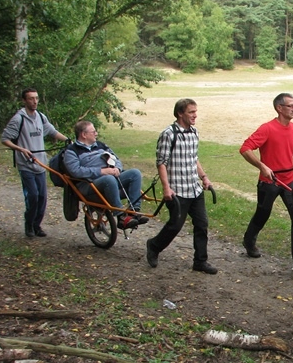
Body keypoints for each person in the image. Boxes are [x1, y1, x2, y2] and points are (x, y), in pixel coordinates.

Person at [145, 98, 218, 275]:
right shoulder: (169, 134)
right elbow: (161, 163)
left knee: (202, 224)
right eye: (191, 112)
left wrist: (204, 177)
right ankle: (154, 246)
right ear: (180, 113)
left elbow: (194, 158)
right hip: (177, 190)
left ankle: (200, 261)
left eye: (195, 111)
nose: (195, 115)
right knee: (175, 225)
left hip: (194, 189)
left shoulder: (194, 132)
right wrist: (166, 188)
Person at [240, 93, 293, 270]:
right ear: (279, 108)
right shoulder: (267, 128)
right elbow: (245, 149)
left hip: (289, 181)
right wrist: (262, 167)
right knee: (262, 214)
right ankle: (249, 241)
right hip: (269, 182)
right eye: (291, 105)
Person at [0, 87, 68, 237]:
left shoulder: (40, 117)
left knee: (42, 197)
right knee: (33, 196)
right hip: (26, 165)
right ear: (24, 100)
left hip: (40, 164)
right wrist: (21, 149)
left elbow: (51, 131)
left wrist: (68, 140)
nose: (34, 101)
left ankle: (37, 225)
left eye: (36, 98)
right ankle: (29, 224)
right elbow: (5, 139)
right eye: (31, 98)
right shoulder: (19, 119)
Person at [63, 121, 148, 230]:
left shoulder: (100, 145)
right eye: (93, 132)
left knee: (135, 173)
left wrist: (117, 168)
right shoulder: (71, 151)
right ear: (83, 135)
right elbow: (76, 171)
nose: (96, 133)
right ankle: (121, 217)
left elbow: (116, 159)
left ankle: (134, 212)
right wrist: (102, 171)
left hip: (110, 178)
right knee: (108, 179)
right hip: (89, 184)